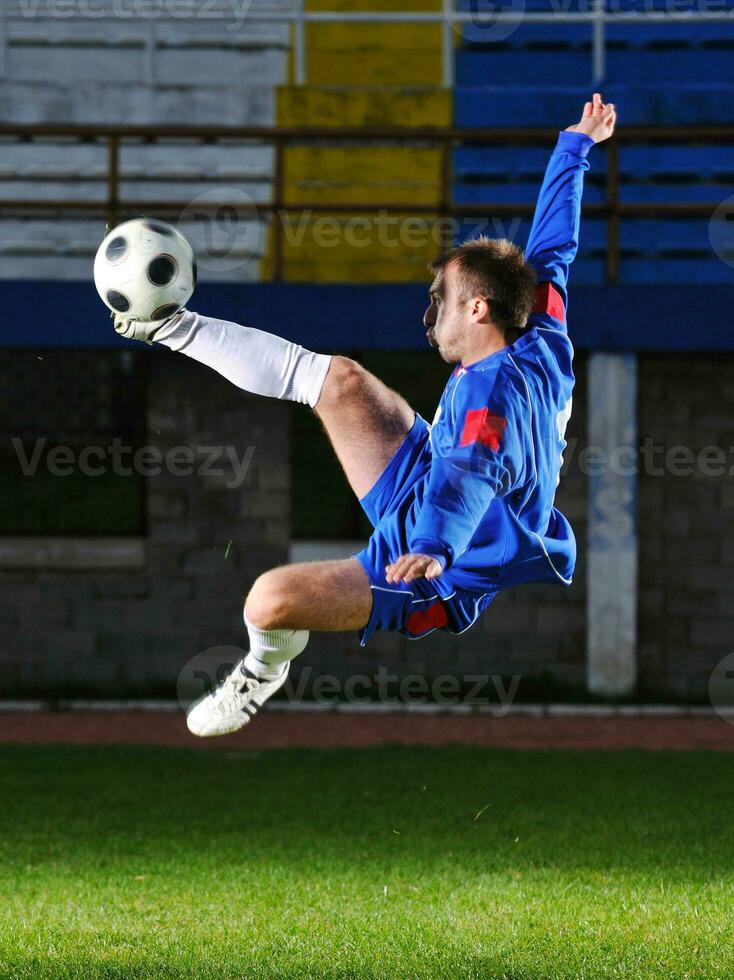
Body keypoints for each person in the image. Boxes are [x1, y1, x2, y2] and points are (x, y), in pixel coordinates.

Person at [113, 93, 618, 736]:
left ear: (479, 310)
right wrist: (574, 147)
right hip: (427, 475)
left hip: (437, 561)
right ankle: (168, 328)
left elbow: (469, 472)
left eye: (443, 299)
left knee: (268, 602)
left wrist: (433, 547)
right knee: (339, 379)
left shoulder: (488, 404)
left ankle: (263, 671)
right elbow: (554, 246)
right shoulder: (539, 324)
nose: (431, 312)